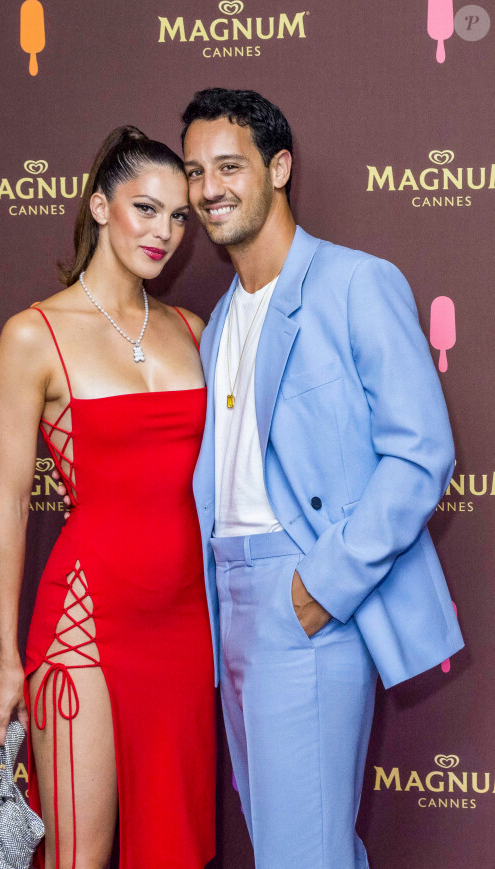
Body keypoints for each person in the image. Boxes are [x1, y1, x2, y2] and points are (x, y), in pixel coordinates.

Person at [181, 88, 464, 869]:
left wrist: (322, 585)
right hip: (226, 602)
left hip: (304, 595)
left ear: (279, 167)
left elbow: (420, 452)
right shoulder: (221, 319)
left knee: (298, 853)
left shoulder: (355, 283)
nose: (209, 188)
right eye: (196, 171)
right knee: (288, 842)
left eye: (229, 166)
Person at [0, 126, 216, 869]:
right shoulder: (33, 334)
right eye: (145, 209)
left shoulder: (193, 329)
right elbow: (9, 503)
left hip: (186, 623)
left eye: (180, 217)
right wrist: (3, 657)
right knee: (78, 858)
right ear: (98, 206)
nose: (165, 233)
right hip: (84, 621)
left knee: (172, 852)